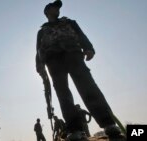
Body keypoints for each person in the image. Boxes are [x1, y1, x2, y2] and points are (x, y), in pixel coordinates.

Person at [35, 0, 126, 140]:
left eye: (58, 8)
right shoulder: (42, 31)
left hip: (73, 55)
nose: (58, 10)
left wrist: (88, 48)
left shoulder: (70, 22)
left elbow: (80, 35)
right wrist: (40, 66)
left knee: (88, 87)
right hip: (53, 61)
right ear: (47, 11)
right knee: (63, 95)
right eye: (54, 7)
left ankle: (108, 124)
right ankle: (75, 130)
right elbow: (39, 50)